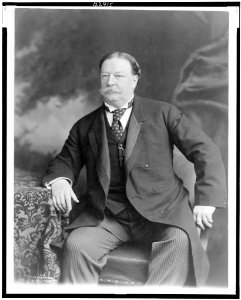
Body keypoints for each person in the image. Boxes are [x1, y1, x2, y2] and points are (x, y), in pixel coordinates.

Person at [43, 51, 227, 286]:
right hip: (109, 217)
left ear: (134, 79)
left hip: (162, 214)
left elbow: (206, 150)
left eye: (119, 75)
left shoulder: (163, 113)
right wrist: (60, 180)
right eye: (105, 76)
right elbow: (64, 161)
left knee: (178, 241)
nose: (110, 82)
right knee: (78, 245)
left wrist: (206, 201)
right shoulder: (85, 126)